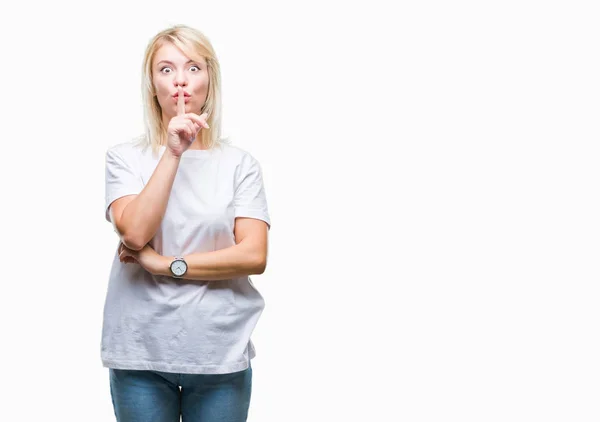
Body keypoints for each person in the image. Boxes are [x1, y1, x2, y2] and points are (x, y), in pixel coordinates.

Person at [101, 24, 271, 422]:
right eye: (166, 69)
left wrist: (167, 264)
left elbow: (254, 254)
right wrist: (173, 152)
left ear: (210, 79)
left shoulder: (239, 164)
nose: (180, 79)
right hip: (140, 352)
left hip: (219, 352)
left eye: (193, 67)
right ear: (151, 84)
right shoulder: (124, 157)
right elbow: (136, 232)